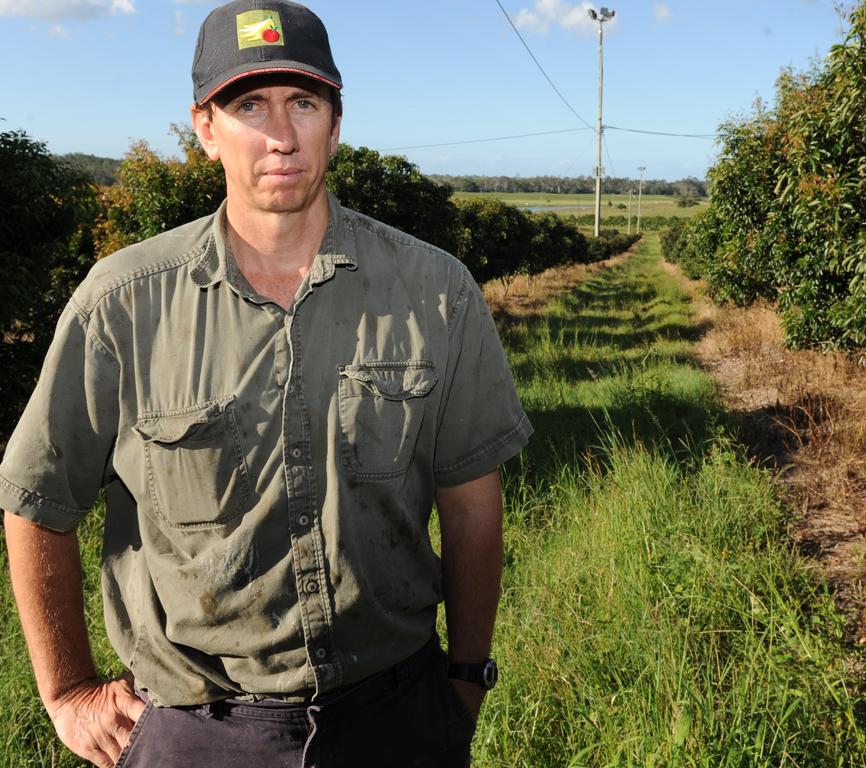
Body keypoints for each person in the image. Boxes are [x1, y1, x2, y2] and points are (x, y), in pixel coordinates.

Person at [0, 1, 532, 766]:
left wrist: (465, 678)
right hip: (194, 730)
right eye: (249, 105)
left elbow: (473, 501)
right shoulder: (122, 304)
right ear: (206, 128)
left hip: (397, 717)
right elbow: (35, 499)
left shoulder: (435, 292)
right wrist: (67, 691)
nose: (280, 136)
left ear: (335, 124)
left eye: (303, 104)